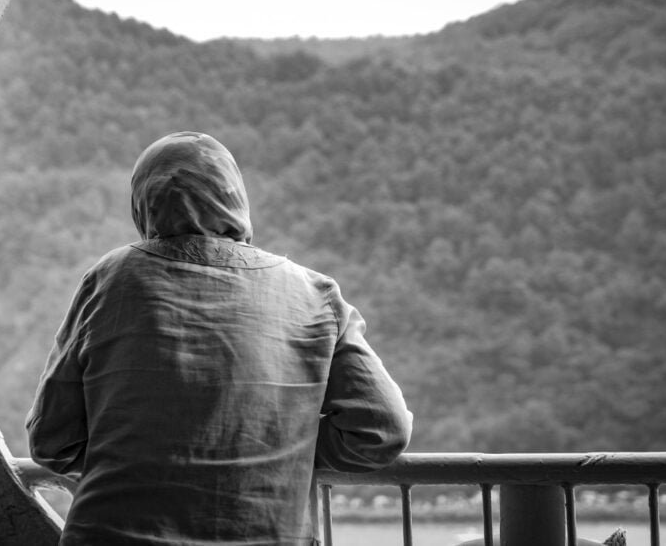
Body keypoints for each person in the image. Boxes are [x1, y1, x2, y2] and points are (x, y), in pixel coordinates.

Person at [27, 131, 412, 545]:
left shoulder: (110, 280)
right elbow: (381, 432)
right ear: (235, 200)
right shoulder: (315, 294)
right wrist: (278, 448)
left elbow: (52, 441)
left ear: (144, 204)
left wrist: (151, 456)